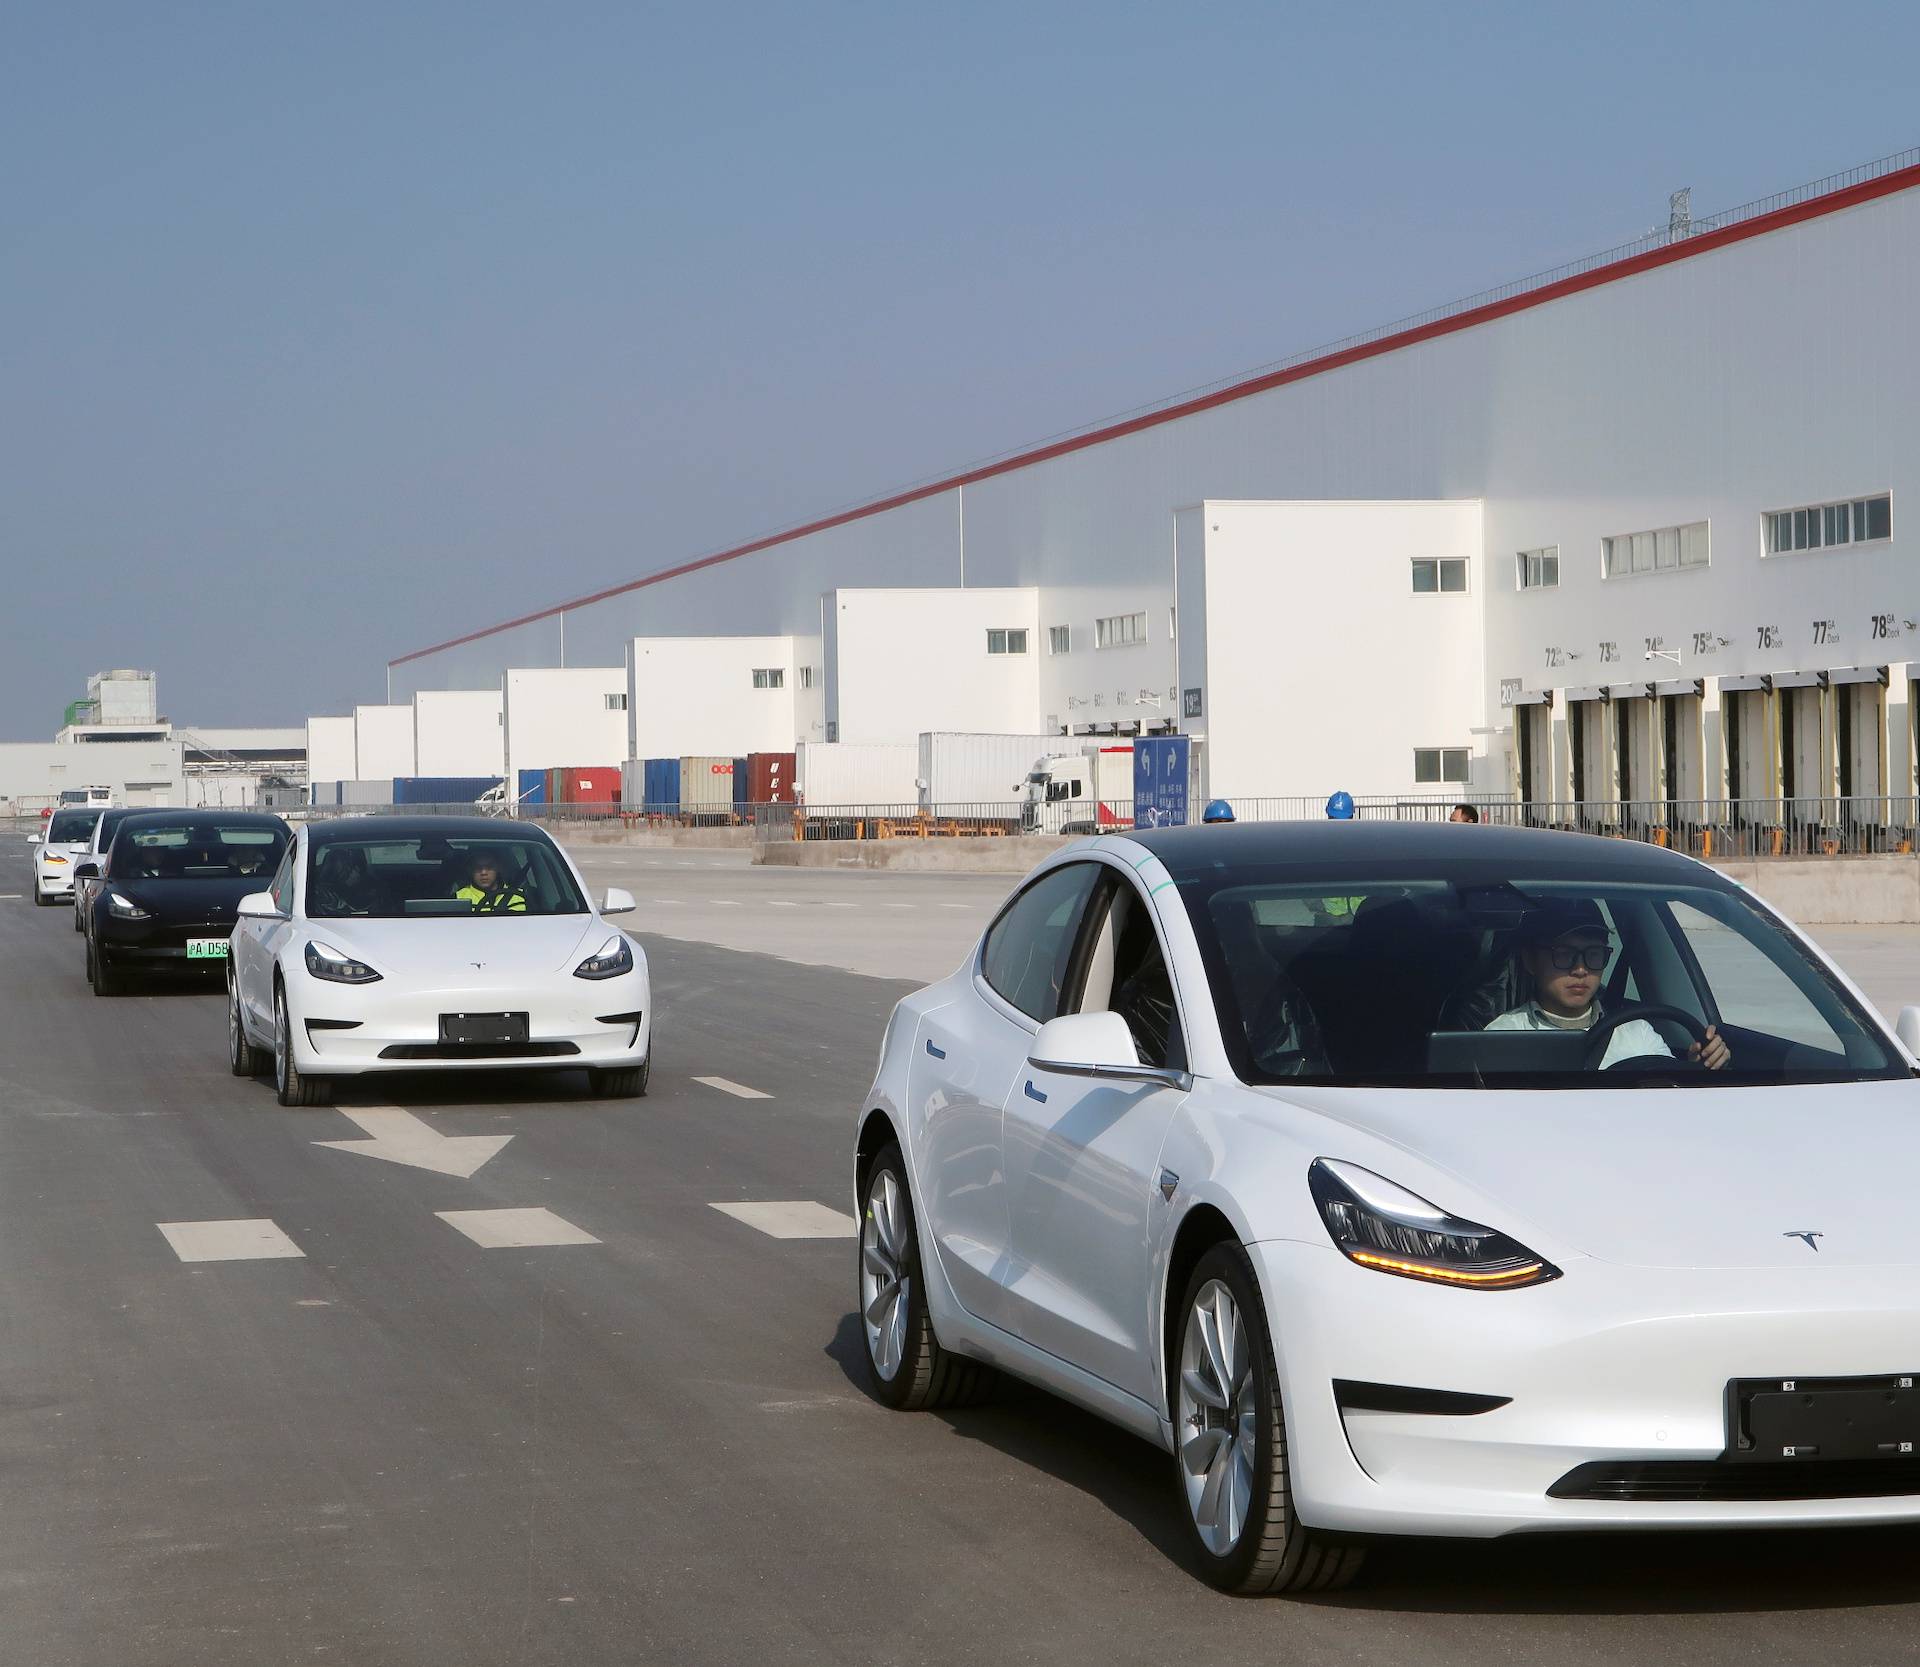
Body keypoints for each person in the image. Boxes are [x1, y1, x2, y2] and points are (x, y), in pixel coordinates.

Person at [1485, 898, 1730, 1070]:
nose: (1580, 969)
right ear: (1530, 961)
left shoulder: (1637, 1032)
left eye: (1593, 954)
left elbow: (1668, 1098)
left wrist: (1698, 1065)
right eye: (1563, 954)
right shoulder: (1503, 1035)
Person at [455, 848, 527, 913]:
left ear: (499, 868)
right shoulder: (457, 898)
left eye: (489, 867)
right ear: (470, 870)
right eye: (478, 867)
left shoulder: (521, 896)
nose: (483, 872)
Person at [312, 846, 379, 916]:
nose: (356, 870)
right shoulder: (321, 892)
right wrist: (349, 884)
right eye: (349, 867)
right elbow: (345, 907)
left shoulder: (369, 885)